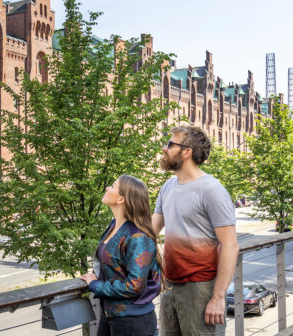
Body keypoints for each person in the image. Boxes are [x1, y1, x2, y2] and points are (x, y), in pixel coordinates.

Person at [154, 125, 238, 335]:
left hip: (200, 289)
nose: (164, 149)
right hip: (169, 287)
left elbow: (230, 245)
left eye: (170, 144)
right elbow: (150, 230)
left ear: (186, 152)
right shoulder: (167, 187)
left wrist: (218, 298)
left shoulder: (211, 189)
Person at [80, 175, 161, 336]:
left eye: (112, 186)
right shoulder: (114, 226)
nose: (106, 188)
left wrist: (95, 285)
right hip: (110, 314)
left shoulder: (138, 237)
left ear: (121, 199)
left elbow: (134, 286)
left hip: (132, 320)